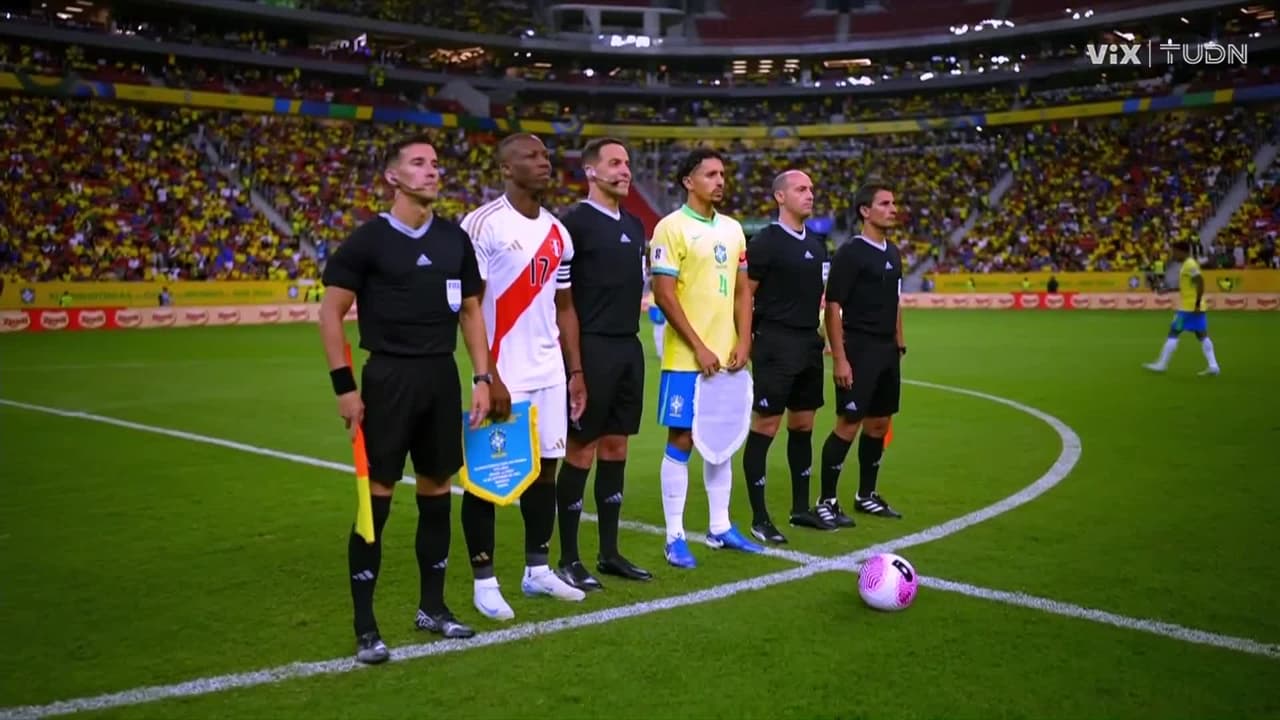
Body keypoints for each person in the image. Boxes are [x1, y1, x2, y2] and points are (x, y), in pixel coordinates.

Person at [319, 135, 502, 665]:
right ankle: (366, 625)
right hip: (388, 378)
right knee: (376, 497)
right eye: (418, 163)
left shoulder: (453, 239)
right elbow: (330, 312)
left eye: (435, 164)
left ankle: (432, 608)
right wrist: (345, 387)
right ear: (392, 177)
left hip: (441, 377)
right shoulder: (368, 240)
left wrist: (482, 377)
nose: (432, 171)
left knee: (437, 489)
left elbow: (471, 312)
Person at [460, 133, 589, 621]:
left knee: (546, 468)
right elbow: (470, 306)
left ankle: (537, 570)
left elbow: (565, 307)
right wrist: (487, 374)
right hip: (501, 372)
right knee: (487, 476)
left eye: (546, 155)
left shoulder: (559, 232)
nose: (544, 162)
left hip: (549, 371)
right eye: (531, 156)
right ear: (505, 169)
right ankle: (485, 581)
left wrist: (575, 371)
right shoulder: (482, 225)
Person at [650, 147, 764, 568]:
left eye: (722, 174)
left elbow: (743, 292)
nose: (720, 181)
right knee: (682, 439)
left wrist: (744, 341)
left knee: (721, 441)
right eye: (711, 174)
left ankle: (720, 527)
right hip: (687, 358)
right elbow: (664, 295)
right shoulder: (670, 227)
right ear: (688, 181)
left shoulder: (733, 230)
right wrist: (698, 346)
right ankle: (674, 537)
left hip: (728, 358)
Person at [552, 138, 653, 590]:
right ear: (590, 171)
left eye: (627, 163)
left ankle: (609, 553)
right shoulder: (571, 224)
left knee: (616, 447)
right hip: (590, 350)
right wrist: (574, 368)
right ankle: (568, 558)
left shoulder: (634, 224)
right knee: (582, 449)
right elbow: (563, 302)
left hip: (628, 347)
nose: (624, 170)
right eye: (614, 163)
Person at [741, 170, 839, 545]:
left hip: (808, 343)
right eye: (801, 189)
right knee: (767, 425)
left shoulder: (817, 244)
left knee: (803, 425)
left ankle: (800, 509)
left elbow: (821, 298)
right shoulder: (765, 242)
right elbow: (745, 295)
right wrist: (746, 341)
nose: (809, 194)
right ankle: (759, 518)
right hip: (774, 343)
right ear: (780, 196)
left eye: (811, 189)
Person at [819, 184, 907, 527]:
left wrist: (899, 341)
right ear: (865, 211)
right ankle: (827, 500)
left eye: (893, 203)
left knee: (880, 423)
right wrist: (839, 357)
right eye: (884, 203)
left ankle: (866, 494)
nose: (893, 208)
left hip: (887, 350)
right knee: (849, 423)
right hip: (858, 347)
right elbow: (833, 306)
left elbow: (895, 301)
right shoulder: (850, 253)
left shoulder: (893, 253)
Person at [1144, 240, 1220, 375]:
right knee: (1202, 335)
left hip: (1188, 309)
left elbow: (1200, 282)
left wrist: (1196, 303)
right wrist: (1169, 290)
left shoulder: (1190, 264)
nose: (1172, 254)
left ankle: (1162, 364)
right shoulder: (1188, 264)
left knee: (1174, 332)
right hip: (1196, 308)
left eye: (1174, 251)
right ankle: (1213, 366)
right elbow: (1188, 285)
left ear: (1181, 251)